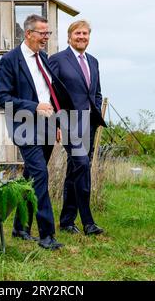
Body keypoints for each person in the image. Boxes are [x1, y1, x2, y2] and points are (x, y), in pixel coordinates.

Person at [0, 14, 74, 250]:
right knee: (40, 176)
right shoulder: (10, 60)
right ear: (28, 33)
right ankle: (47, 234)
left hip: (48, 127)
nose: (46, 38)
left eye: (48, 34)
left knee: (31, 177)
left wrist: (59, 124)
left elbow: (52, 95)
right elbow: (2, 98)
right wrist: (34, 106)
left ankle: (20, 227)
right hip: (25, 126)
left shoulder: (45, 59)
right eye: (42, 33)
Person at [49, 20, 106, 236]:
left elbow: (96, 92)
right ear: (69, 37)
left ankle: (66, 221)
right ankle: (88, 222)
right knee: (82, 164)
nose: (82, 37)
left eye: (85, 33)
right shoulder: (57, 60)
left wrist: (97, 111)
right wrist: (56, 122)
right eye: (77, 33)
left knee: (76, 170)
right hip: (68, 121)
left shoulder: (93, 61)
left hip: (88, 123)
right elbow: (51, 93)